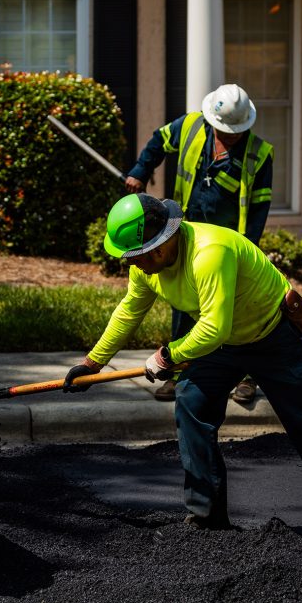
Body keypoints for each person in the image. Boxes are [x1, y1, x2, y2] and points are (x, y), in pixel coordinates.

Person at [62, 194, 302, 555]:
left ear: (160, 245)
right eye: (128, 258)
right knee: (191, 402)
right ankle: (207, 519)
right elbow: (129, 311)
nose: (132, 264)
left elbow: (213, 327)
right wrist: (93, 363)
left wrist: (168, 356)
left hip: (273, 335)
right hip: (225, 343)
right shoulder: (144, 266)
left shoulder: (209, 251)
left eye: (135, 256)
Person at [125, 83, 273, 403]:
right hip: (186, 233)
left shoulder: (259, 155)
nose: (229, 136)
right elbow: (158, 141)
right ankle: (177, 375)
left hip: (227, 245)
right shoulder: (191, 127)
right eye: (224, 130)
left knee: (235, 312)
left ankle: (246, 377)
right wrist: (141, 170)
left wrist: (250, 252)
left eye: (235, 131)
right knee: (185, 309)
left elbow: (259, 208)